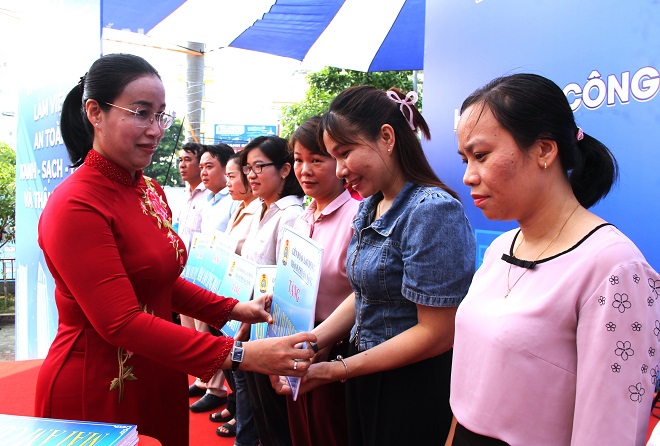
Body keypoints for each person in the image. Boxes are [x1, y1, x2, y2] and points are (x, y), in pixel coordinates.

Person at [35, 53, 315, 446]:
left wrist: (233, 308)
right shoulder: (76, 204)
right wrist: (242, 354)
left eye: (160, 115)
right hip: (98, 384)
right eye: (140, 113)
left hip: (160, 368)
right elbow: (120, 321)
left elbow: (160, 280)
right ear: (95, 112)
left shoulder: (148, 190)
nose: (155, 130)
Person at [449, 73, 660, 445]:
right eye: (465, 158)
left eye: (481, 156)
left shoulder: (615, 268)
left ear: (545, 150)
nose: (468, 176)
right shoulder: (501, 248)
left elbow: (611, 430)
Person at [273, 86, 476, 445]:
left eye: (345, 152)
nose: (340, 169)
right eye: (333, 157)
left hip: (410, 385)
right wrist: (312, 341)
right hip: (363, 370)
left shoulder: (432, 210)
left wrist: (338, 369)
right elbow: (363, 292)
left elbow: (437, 333)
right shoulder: (370, 206)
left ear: (386, 137)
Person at [286, 116, 360, 446]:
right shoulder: (301, 219)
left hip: (337, 353)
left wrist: (323, 342)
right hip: (296, 346)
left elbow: (363, 293)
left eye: (317, 160)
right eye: (298, 160)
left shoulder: (357, 218)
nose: (305, 170)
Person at [240, 135, 305, 446]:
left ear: (284, 170)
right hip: (251, 325)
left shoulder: (291, 214)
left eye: (259, 166)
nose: (251, 174)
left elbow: (285, 281)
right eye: (248, 168)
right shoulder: (262, 210)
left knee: (275, 419)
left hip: (273, 331)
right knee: (258, 410)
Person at [212, 151, 262, 444]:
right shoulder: (241, 208)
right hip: (234, 300)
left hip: (250, 307)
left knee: (246, 377)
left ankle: (244, 428)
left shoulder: (269, 210)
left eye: (233, 176)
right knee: (240, 376)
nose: (229, 182)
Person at [188, 143, 239, 413]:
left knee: (216, 336)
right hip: (202, 274)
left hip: (223, 280)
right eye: (202, 167)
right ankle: (208, 382)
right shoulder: (208, 200)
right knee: (201, 333)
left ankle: (219, 391)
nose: (203, 172)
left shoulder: (234, 202)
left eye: (209, 166)